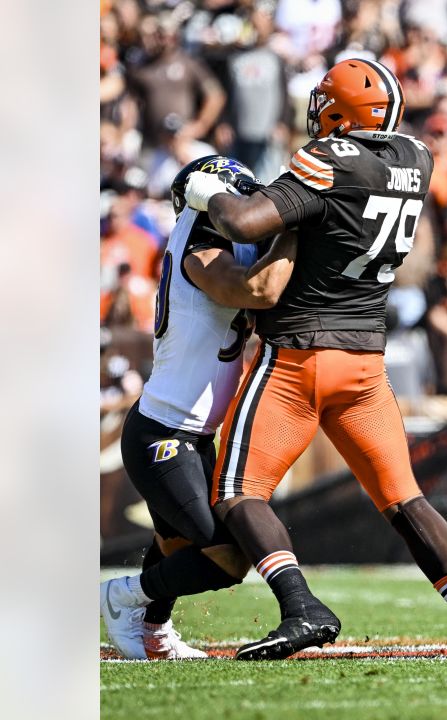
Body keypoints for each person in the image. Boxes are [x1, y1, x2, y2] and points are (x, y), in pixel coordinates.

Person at [173, 59, 447, 660]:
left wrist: (208, 193)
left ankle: (300, 605)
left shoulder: (328, 160)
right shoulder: (416, 157)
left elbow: (248, 219)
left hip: (299, 358)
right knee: (405, 499)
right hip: (365, 364)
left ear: (338, 112)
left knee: (237, 493)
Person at [100, 155, 297, 660]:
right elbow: (260, 289)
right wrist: (298, 225)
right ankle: (121, 594)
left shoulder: (217, 240)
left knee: (174, 545)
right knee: (226, 558)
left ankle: (152, 630)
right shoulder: (200, 247)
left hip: (186, 431)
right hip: (164, 432)